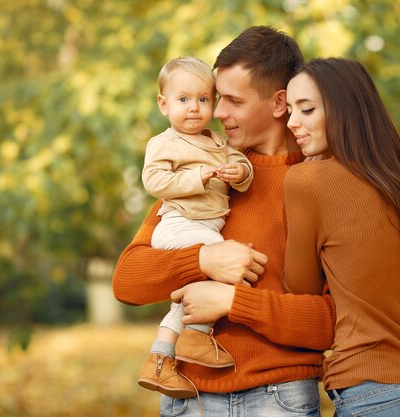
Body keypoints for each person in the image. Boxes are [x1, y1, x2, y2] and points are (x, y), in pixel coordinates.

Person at [113, 26, 335, 417]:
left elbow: (333, 322)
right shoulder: (203, 171)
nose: (215, 113)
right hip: (188, 400)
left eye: (231, 100)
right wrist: (202, 260)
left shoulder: (320, 183)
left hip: (280, 399)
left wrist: (235, 301)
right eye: (216, 98)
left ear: (279, 103)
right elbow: (128, 281)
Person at [283, 58, 400, 417]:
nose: (291, 123)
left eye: (307, 109)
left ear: (346, 109)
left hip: (374, 396)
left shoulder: (307, 181)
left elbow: (300, 288)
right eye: (289, 110)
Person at [137, 56, 254, 398]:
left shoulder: (218, 142)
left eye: (203, 100)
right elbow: (154, 179)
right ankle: (197, 336)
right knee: (226, 270)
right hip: (181, 224)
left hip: (204, 228)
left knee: (190, 296)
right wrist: (198, 177)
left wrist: (241, 172)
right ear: (163, 104)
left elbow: (239, 159)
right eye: (183, 99)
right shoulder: (165, 143)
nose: (194, 108)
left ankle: (160, 360)